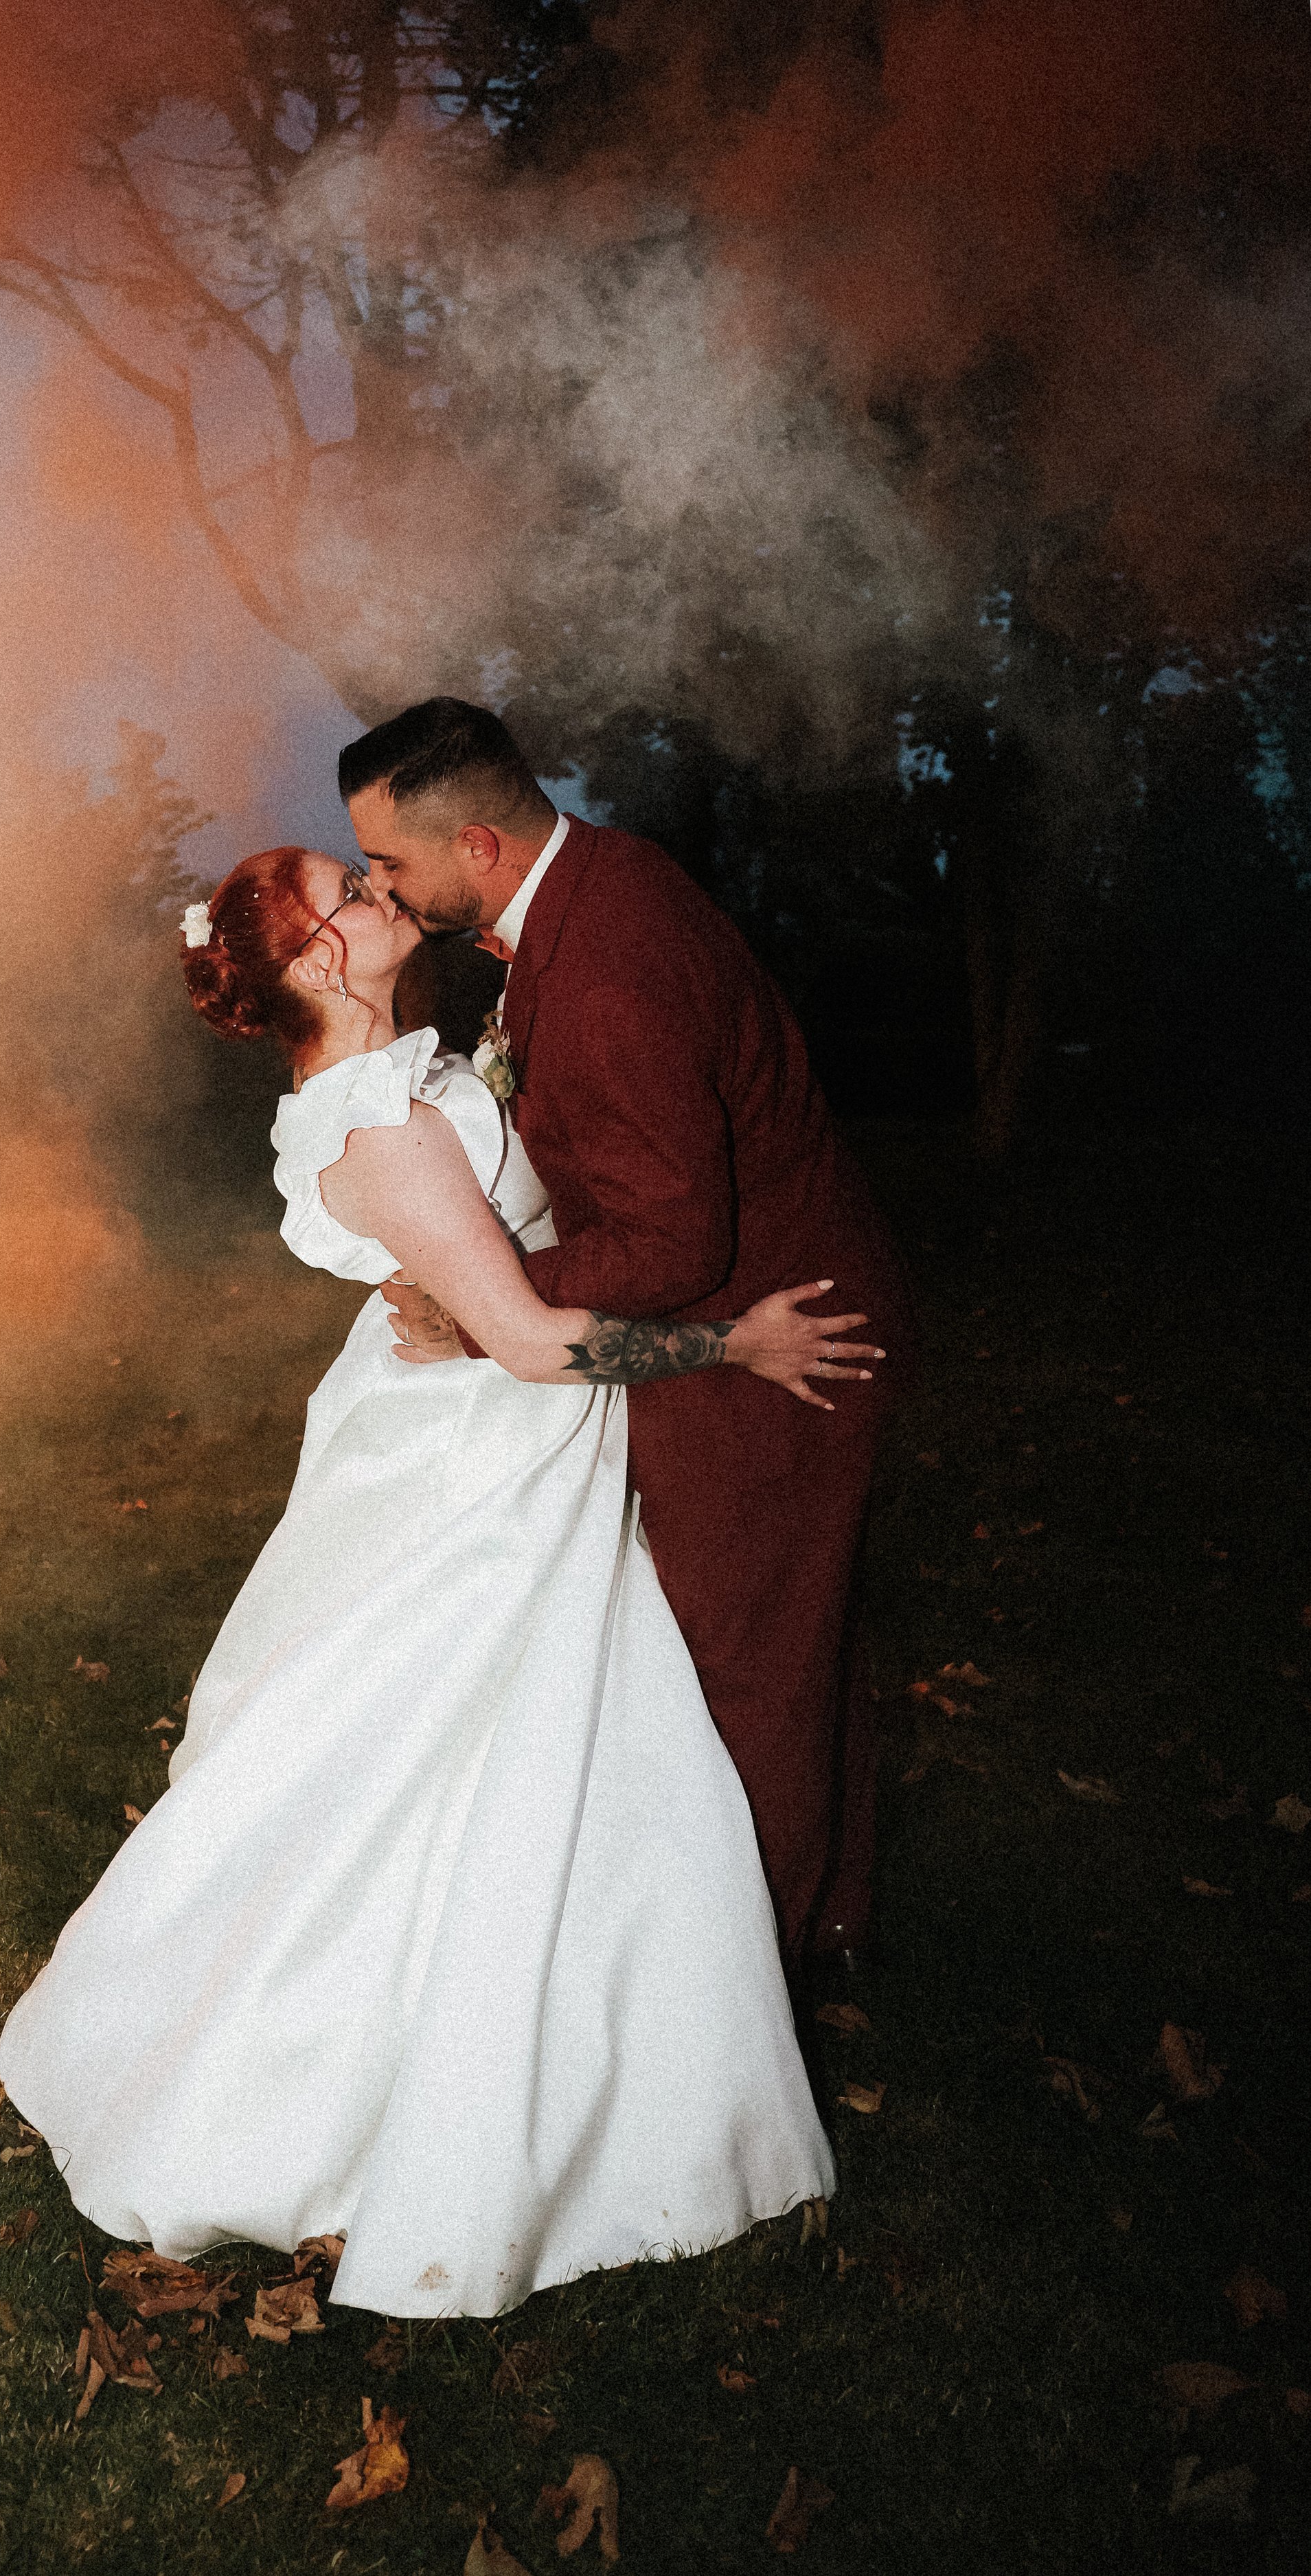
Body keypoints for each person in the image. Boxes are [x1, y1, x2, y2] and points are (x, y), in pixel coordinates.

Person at [0, 841, 869, 2318]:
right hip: (477, 1461)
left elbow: (495, 1254)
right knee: (440, 1744)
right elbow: (527, 1343)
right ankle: (376, 2086)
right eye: (354, 891)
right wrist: (736, 1346)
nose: (382, 893)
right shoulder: (377, 1131)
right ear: (319, 962)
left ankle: (613, 2052)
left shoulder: (407, 1070)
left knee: (545, 1740)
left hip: (470, 1431)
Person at [341, 699, 915, 1967]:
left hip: (778, 1338)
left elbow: (672, 1244)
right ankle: (825, 1916)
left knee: (741, 1661)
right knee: (785, 1631)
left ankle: (756, 1982)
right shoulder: (594, 882)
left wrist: (483, 1293)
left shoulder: (603, 968)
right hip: (750, 1306)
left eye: (389, 861)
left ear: (479, 845)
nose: (380, 883)